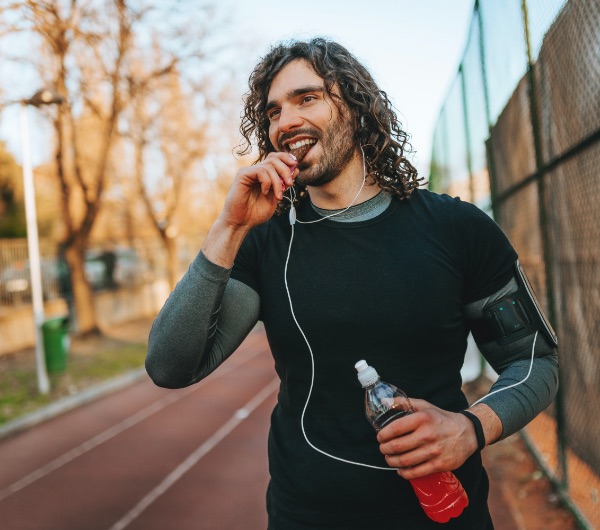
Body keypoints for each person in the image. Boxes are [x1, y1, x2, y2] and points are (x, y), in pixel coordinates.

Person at [146, 38, 559, 529]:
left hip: (443, 513)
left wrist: (471, 428)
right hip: (307, 515)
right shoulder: (266, 242)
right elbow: (170, 365)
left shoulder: (456, 228)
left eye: (307, 98)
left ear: (357, 108)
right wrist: (229, 228)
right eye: (273, 112)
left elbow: (535, 360)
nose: (286, 122)